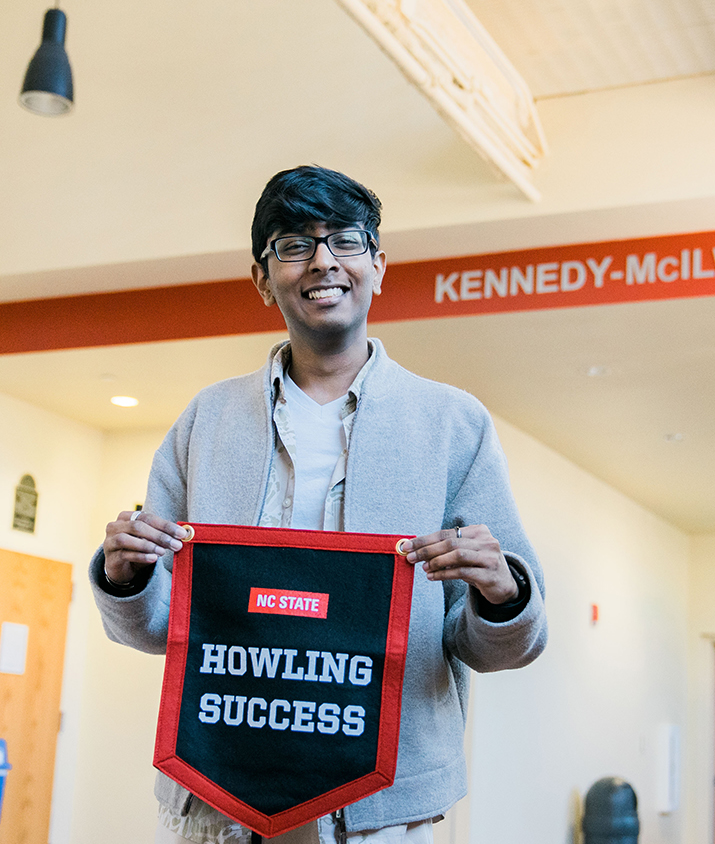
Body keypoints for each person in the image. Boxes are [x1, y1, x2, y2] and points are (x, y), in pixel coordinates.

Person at [89, 165, 548, 844]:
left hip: (378, 811)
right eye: (294, 244)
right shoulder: (206, 420)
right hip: (218, 793)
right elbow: (158, 626)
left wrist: (502, 594)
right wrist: (123, 579)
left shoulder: (453, 424)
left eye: (346, 241)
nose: (324, 260)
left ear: (379, 266)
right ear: (261, 276)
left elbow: (507, 645)